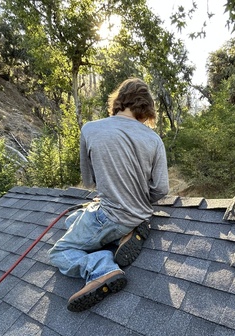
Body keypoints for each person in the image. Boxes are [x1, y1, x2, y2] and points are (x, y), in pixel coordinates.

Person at [49, 78, 169, 312]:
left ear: (118, 101)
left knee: (59, 252)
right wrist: (137, 198)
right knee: (72, 220)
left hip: (109, 215)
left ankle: (102, 268)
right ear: (146, 108)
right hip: (140, 214)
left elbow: (89, 179)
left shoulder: (90, 129)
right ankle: (124, 236)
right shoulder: (154, 140)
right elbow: (161, 189)